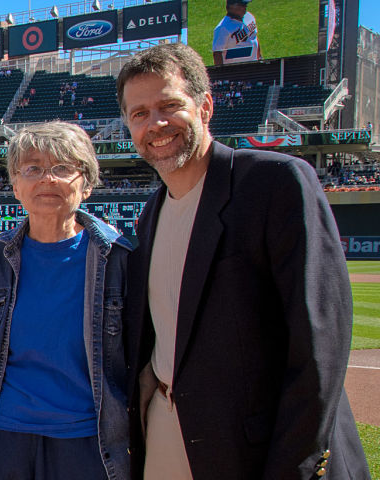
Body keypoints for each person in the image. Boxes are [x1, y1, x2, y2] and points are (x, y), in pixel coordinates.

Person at [116, 43, 367, 479]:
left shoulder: (274, 182)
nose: (155, 124)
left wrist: (295, 466)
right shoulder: (151, 214)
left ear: (206, 106)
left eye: (169, 105)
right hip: (168, 437)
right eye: (139, 114)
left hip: (255, 453)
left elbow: (319, 350)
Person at [0, 122, 131, 480]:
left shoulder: (118, 257)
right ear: (15, 184)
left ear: (86, 183)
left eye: (63, 168)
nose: (47, 179)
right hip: (6, 435)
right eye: (33, 168)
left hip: (89, 438)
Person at [212, 0, 260, 65]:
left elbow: (254, 38)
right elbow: (217, 53)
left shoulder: (249, 16)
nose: (245, 7)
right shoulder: (223, 28)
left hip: (254, 64)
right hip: (235, 69)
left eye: (245, 4)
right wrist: (221, 72)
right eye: (241, 5)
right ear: (230, 7)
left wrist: (260, 59)